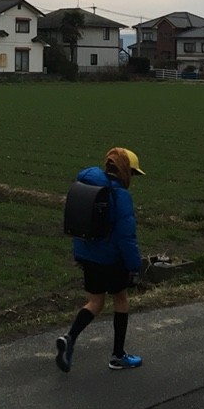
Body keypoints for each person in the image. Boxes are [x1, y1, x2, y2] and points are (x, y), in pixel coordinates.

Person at [56, 146, 145, 373]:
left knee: (95, 301)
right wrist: (134, 266)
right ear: (125, 171)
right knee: (121, 299)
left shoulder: (89, 184)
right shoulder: (120, 196)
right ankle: (118, 356)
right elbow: (126, 237)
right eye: (132, 173)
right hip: (111, 259)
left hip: (87, 255)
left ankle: (69, 338)